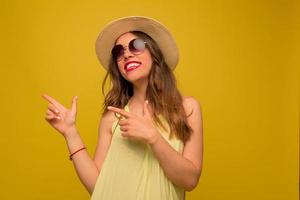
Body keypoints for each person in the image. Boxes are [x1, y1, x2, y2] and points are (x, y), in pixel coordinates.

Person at [42, 16, 203, 200]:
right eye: (119, 51)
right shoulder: (112, 118)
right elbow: (98, 185)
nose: (126, 54)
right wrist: (71, 133)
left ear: (154, 53)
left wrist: (153, 137)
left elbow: (190, 181)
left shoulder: (187, 108)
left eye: (137, 45)